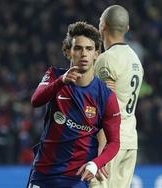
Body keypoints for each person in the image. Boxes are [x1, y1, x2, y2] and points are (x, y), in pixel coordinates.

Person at [27, 21, 121, 188]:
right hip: (43, 174)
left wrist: (96, 163)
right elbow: (36, 100)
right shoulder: (54, 75)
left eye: (89, 49)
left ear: (96, 54)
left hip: (76, 178)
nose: (84, 53)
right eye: (78, 48)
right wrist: (61, 81)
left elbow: (114, 142)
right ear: (68, 52)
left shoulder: (106, 96)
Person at [91, 5, 144, 188]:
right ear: (127, 28)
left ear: (102, 26)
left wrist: (101, 150)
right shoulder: (135, 59)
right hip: (130, 139)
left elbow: (107, 105)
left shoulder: (107, 59)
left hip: (111, 142)